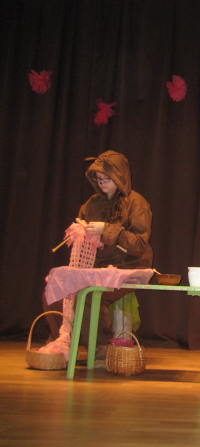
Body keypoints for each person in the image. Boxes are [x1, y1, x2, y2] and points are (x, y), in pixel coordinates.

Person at [41, 150, 153, 357]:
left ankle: (99, 345)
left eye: (106, 179)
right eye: (99, 179)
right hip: (96, 267)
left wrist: (107, 230)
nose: (102, 183)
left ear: (120, 177)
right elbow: (82, 233)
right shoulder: (91, 204)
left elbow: (139, 244)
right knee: (56, 290)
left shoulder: (137, 203)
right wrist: (79, 232)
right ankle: (64, 341)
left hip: (129, 266)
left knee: (90, 294)